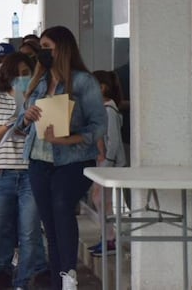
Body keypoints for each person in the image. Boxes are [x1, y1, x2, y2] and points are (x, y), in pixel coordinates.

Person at [18, 26, 106, 290]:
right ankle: (59, 281)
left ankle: (69, 275)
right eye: (41, 48)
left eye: (48, 47)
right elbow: (21, 124)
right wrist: (27, 117)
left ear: (63, 49)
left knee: (61, 206)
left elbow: (99, 125)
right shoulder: (38, 82)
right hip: (39, 159)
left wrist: (69, 139)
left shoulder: (83, 82)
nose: (43, 53)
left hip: (73, 159)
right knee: (49, 222)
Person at [0, 53, 47, 290]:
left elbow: (47, 136)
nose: (21, 78)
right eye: (16, 73)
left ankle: (22, 283)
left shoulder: (41, 101)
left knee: (29, 234)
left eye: (26, 73)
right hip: (1, 174)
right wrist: (15, 121)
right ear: (6, 75)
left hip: (31, 173)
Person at [88, 70, 127, 257]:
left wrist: (108, 164)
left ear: (102, 88)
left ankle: (110, 240)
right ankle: (107, 238)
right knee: (101, 200)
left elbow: (114, 141)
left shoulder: (109, 111)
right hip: (103, 162)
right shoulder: (102, 109)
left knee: (103, 200)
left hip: (109, 165)